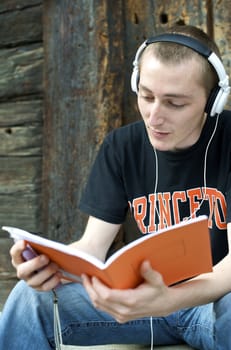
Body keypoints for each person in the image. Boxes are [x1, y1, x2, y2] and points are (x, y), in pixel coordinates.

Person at [0, 24, 231, 350]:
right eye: (147, 96)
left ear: (213, 101)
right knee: (29, 297)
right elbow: (92, 246)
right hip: (143, 304)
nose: (154, 116)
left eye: (174, 104)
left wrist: (170, 299)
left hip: (214, 302)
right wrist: (48, 266)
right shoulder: (121, 146)